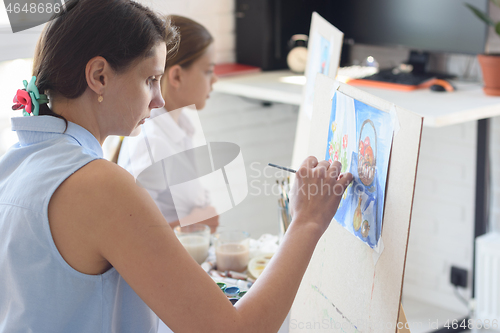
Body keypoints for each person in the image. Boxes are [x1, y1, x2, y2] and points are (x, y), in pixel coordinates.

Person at [0, 1, 353, 332]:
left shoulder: (14, 162)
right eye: (151, 80)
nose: (159, 99)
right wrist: (306, 221)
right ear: (99, 76)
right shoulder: (97, 183)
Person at [116, 15, 219, 233]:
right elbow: (128, 231)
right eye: (208, 71)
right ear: (177, 77)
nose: (215, 79)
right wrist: (195, 223)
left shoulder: (182, 127)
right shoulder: (152, 141)